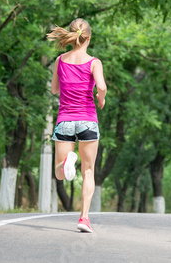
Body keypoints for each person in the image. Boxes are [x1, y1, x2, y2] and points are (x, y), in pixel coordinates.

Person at [47, 18, 107, 233]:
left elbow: (54, 89)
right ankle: (84, 218)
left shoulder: (60, 60)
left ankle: (65, 164)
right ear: (88, 38)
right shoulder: (94, 62)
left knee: (60, 174)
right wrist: (101, 97)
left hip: (64, 120)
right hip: (88, 120)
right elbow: (101, 86)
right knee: (88, 171)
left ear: (72, 37)